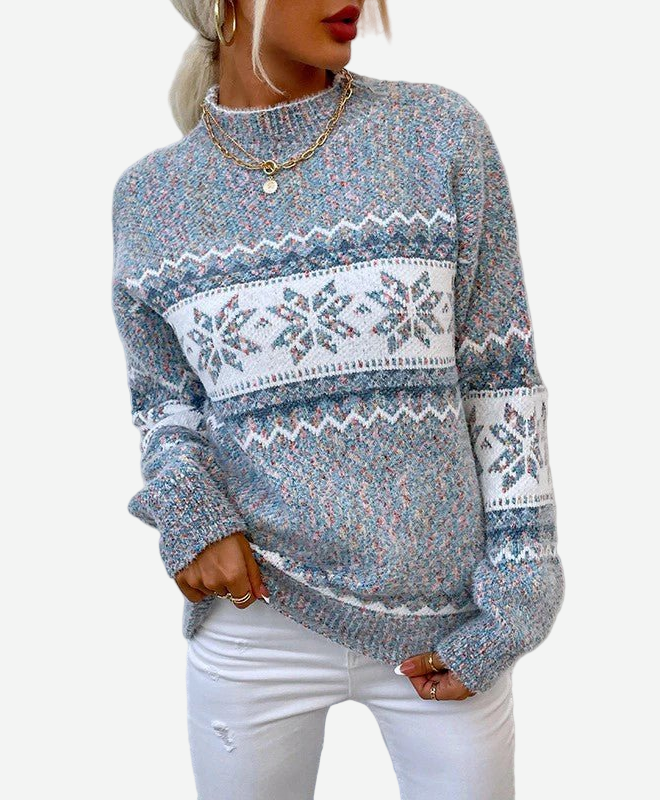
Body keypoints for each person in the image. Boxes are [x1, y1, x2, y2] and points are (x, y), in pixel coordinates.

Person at [110, 1, 565, 797]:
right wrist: (192, 515)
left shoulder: (438, 134)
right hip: (256, 623)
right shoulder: (152, 197)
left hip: (449, 626)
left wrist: (520, 596)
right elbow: (164, 404)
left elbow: (501, 379)